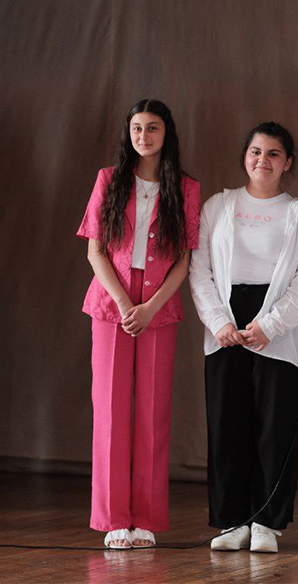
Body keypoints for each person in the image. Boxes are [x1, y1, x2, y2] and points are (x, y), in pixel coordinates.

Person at [190, 122, 298, 554]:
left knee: (275, 427)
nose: (263, 160)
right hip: (225, 326)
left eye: (273, 153)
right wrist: (219, 322)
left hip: (278, 328)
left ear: (288, 162)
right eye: (256, 152)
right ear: (245, 156)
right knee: (228, 425)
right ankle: (231, 521)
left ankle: (267, 522)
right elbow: (199, 270)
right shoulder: (218, 205)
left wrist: (271, 325)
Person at [77, 99, 201, 549]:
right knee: (110, 411)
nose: (143, 136)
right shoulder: (108, 180)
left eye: (152, 128)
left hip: (159, 305)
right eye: (136, 128)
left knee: (153, 413)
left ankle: (145, 519)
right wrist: (123, 301)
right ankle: (113, 520)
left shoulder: (186, 188)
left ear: (166, 134)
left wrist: (149, 307)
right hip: (112, 301)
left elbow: (184, 260)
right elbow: (95, 251)